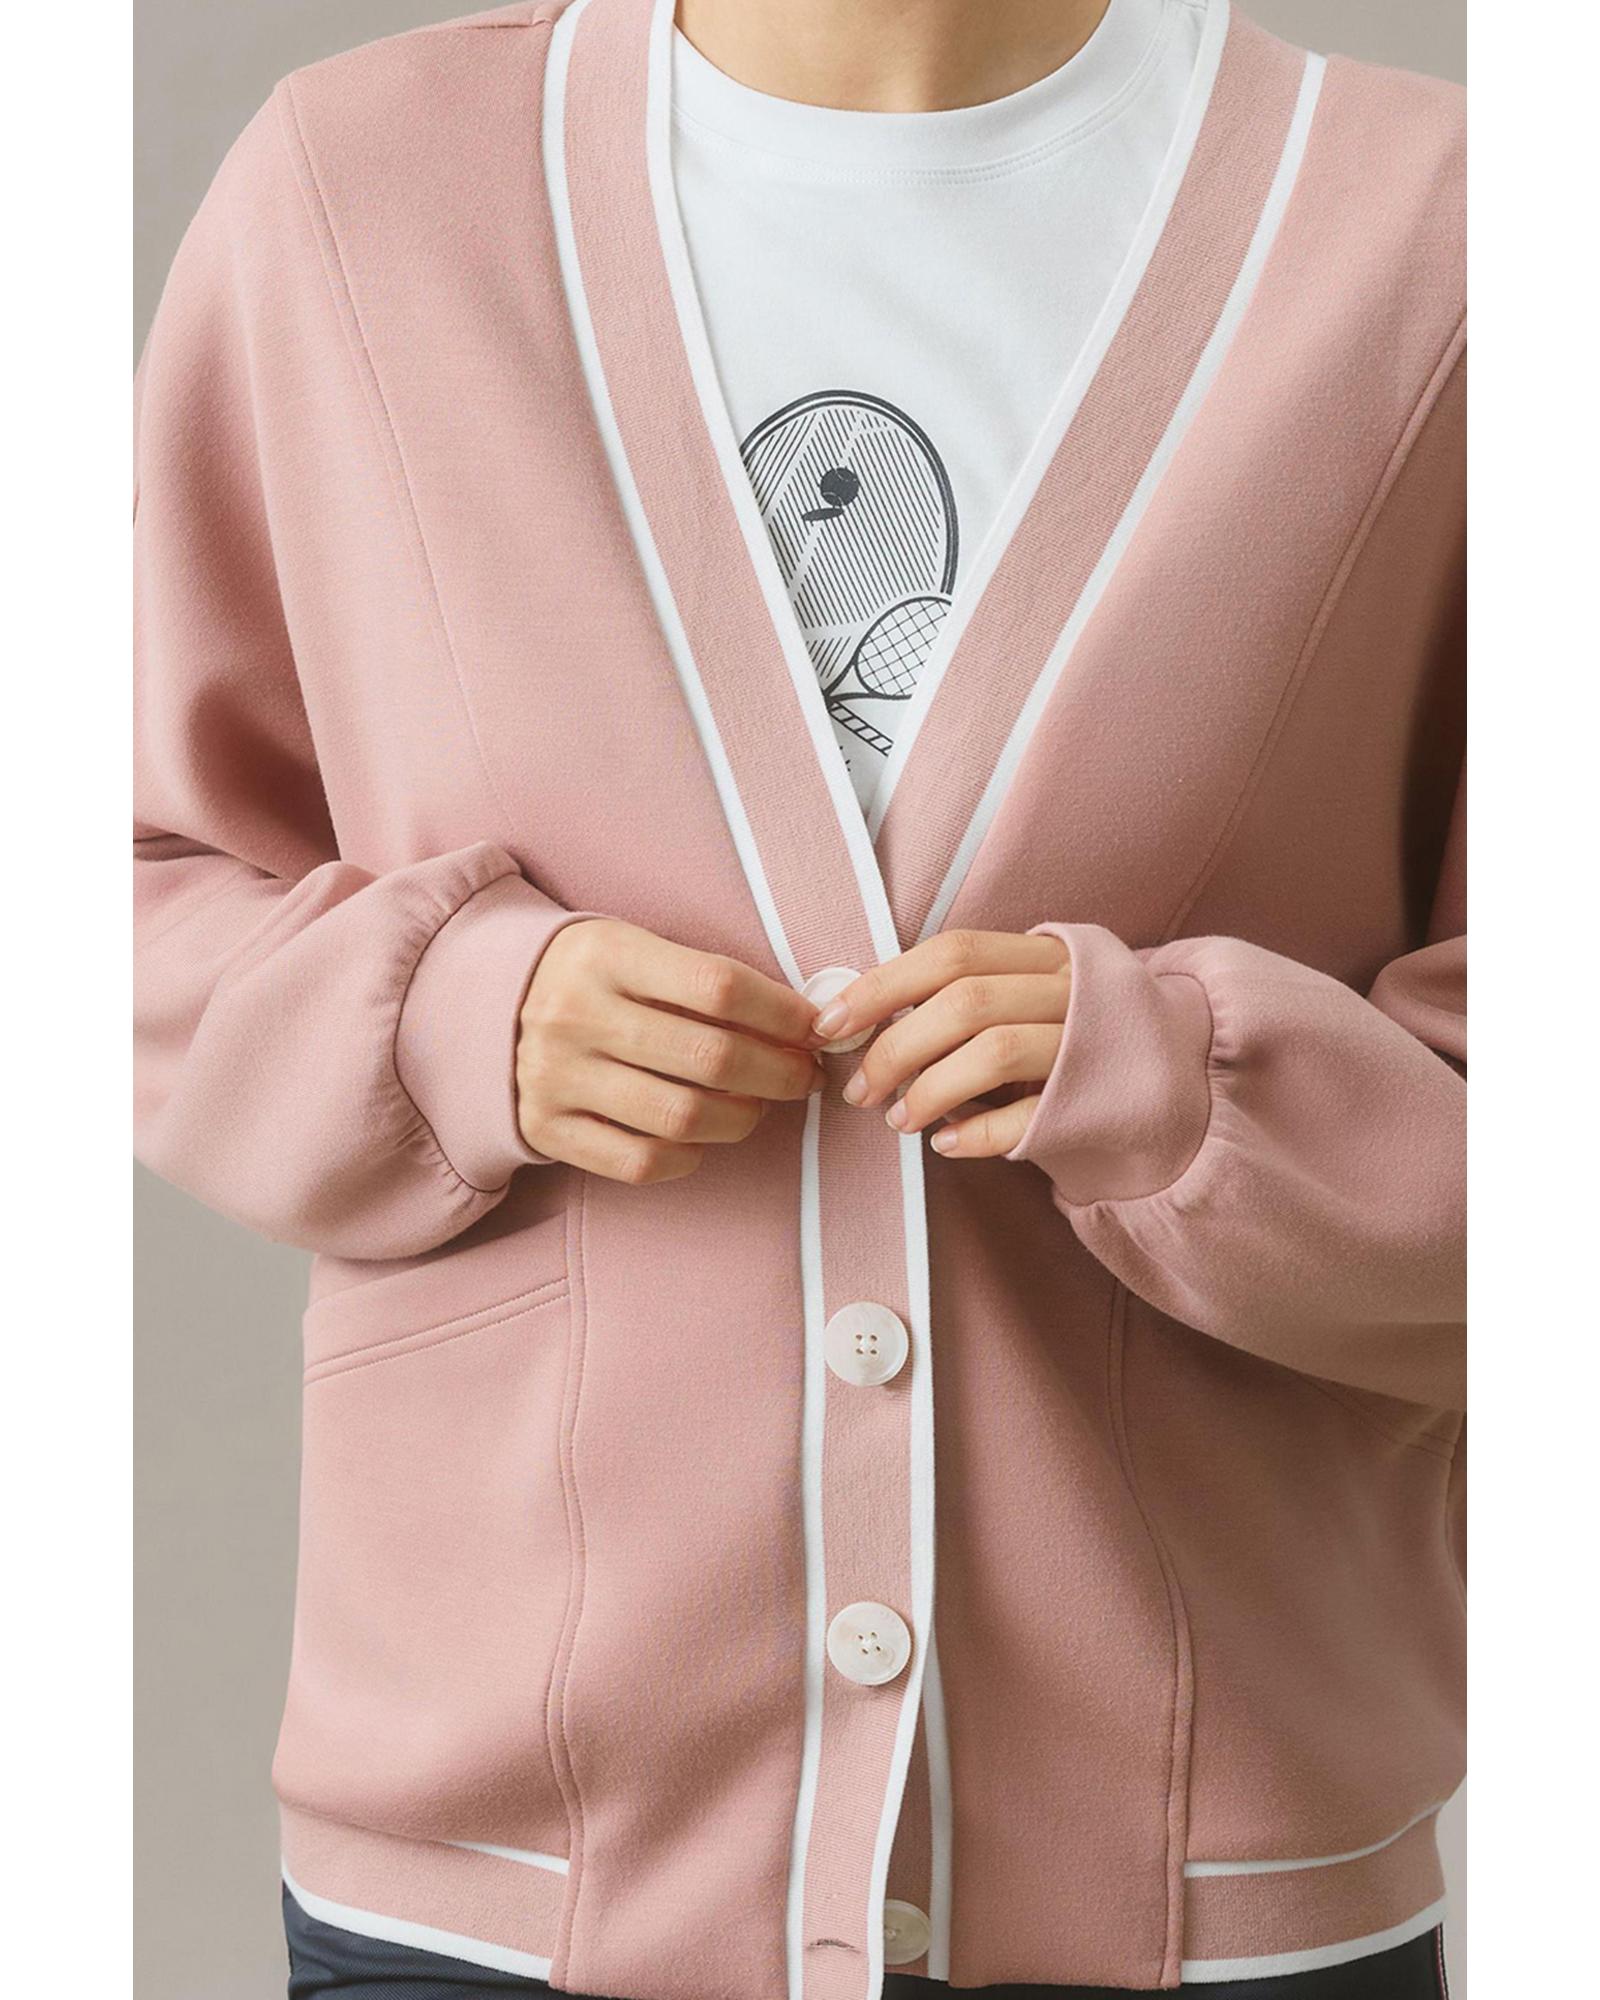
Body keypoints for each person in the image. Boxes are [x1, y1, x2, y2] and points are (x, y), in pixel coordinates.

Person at [132, 0, 1465, 1995]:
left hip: (1207, 1856)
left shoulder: (1438, 235)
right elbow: (125, 882)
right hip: (501, 1862)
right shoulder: (360, 194)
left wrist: (1197, 1094)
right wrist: (446, 1018)